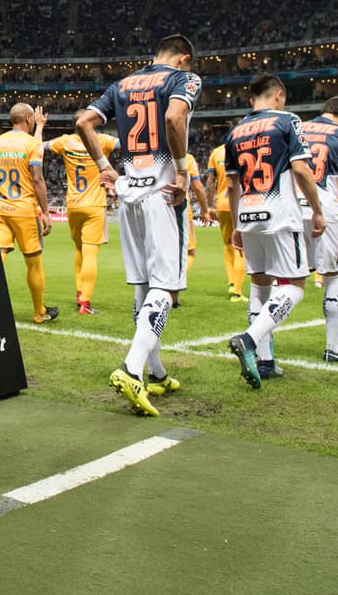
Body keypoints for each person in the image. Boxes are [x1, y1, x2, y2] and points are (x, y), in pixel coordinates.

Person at [74, 33, 202, 416]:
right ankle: (131, 368)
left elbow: (83, 122)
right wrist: (181, 173)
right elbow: (174, 116)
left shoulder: (123, 84)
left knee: (143, 285)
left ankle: (156, 372)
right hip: (163, 193)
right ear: (183, 58)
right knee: (164, 287)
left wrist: (105, 167)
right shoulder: (183, 80)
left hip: (129, 191)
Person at [225, 74, 325, 389]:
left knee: (260, 285)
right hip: (280, 213)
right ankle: (250, 339)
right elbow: (300, 169)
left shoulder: (235, 130)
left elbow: (231, 183)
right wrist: (318, 210)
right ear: (278, 95)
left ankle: (265, 362)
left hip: (249, 212)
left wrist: (238, 221)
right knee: (294, 286)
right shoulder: (287, 121)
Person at [298, 96, 338, 362]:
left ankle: (263, 348)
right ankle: (332, 348)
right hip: (324, 209)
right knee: (334, 276)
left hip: (291, 208)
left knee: (284, 278)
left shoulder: (295, 126)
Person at [0, 103, 58, 324]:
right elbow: (37, 178)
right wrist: (46, 212)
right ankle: (39, 312)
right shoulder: (32, 144)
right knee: (33, 263)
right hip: (24, 210)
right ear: (28, 119)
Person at [44, 128, 118, 314]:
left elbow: (39, 147)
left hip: (73, 205)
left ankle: (79, 293)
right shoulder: (102, 139)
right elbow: (125, 143)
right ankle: (85, 303)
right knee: (90, 254)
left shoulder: (65, 141)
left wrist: (39, 127)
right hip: (94, 206)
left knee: (79, 250)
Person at [206, 141, 246, 302]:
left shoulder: (216, 152)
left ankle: (231, 282)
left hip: (221, 203)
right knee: (242, 247)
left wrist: (209, 206)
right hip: (241, 201)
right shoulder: (245, 147)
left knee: (228, 244)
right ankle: (236, 291)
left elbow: (210, 182)